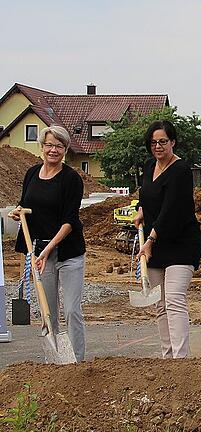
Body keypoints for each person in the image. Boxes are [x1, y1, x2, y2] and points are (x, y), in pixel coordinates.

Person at [10, 125, 86, 362]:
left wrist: (49, 248)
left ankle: (76, 361)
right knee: (47, 310)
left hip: (68, 251)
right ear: (42, 147)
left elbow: (69, 220)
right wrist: (18, 212)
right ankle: (54, 361)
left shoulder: (71, 179)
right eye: (49, 145)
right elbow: (25, 203)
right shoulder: (32, 173)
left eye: (59, 146)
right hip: (39, 252)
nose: (53, 150)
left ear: (65, 150)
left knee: (72, 310)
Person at [133, 120, 201, 359]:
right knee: (160, 305)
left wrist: (150, 240)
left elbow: (171, 209)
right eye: (153, 142)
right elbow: (149, 196)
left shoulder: (181, 170)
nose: (158, 146)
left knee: (174, 299)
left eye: (163, 141)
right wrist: (142, 209)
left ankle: (181, 360)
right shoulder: (149, 165)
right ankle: (168, 357)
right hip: (155, 244)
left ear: (173, 142)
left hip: (181, 242)